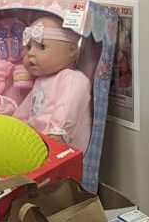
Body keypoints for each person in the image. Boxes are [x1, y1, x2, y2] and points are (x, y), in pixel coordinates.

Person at [15, 12, 93, 151]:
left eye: (42, 47)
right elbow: (25, 112)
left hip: (60, 148)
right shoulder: (40, 82)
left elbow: (67, 107)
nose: (31, 53)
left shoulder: (73, 78)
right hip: (37, 146)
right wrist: (13, 127)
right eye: (29, 47)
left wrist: (58, 133)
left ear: (72, 50)